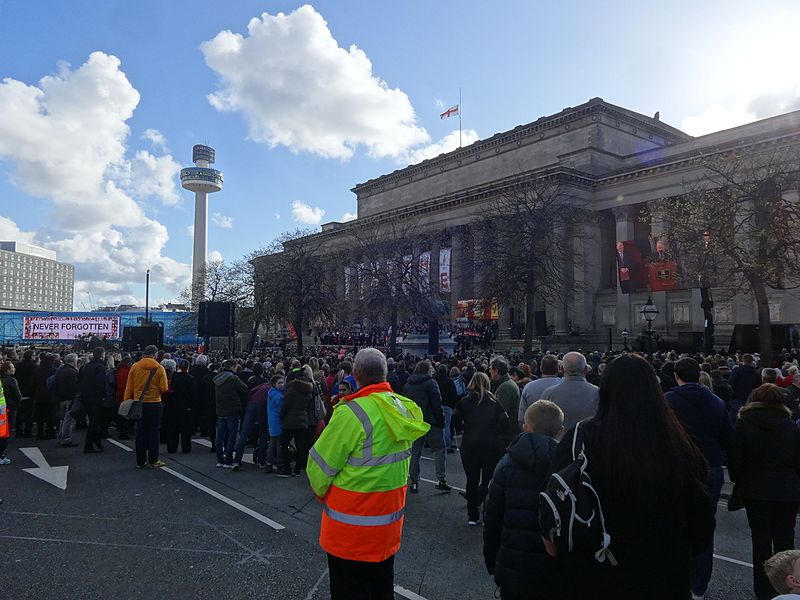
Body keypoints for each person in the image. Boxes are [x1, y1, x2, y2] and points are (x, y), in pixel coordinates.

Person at [547, 354, 713, 599]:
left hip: (597, 570)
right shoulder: (675, 441)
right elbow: (702, 524)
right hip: (664, 575)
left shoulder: (581, 436)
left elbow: (553, 501)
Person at [306, 348, 429, 600]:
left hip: (348, 531)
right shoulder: (404, 410)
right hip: (387, 529)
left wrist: (324, 495)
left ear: (355, 375)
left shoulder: (351, 413)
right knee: (382, 590)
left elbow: (318, 468)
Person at [665, 357, 733, 600]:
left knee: (675, 525)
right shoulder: (716, 402)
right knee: (705, 525)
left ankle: (679, 579)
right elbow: (728, 438)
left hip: (677, 468)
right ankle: (699, 587)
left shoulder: (667, 402)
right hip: (710, 468)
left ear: (676, 376)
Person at [483, 400, 564, 600]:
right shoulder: (569, 465)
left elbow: (492, 517)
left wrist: (492, 562)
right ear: (561, 431)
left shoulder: (507, 464)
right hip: (554, 568)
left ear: (525, 427)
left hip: (514, 565)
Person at [728, 383, 800, 600]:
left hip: (756, 490)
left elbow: (735, 460)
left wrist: (739, 480)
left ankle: (763, 590)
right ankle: (787, 588)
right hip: (787, 490)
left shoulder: (743, 424)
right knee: (785, 541)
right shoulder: (790, 426)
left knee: (760, 542)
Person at [454, 371, 509, 525]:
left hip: (470, 443)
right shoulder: (495, 402)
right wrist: (496, 432)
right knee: (488, 481)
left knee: (471, 480)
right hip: (491, 443)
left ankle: (472, 515)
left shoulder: (464, 402)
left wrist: (465, 427)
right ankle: (487, 514)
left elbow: (455, 421)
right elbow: (505, 422)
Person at [404, 359, 451, 493]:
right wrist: (441, 421)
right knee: (440, 449)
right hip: (431, 422)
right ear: (427, 369)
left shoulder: (408, 385)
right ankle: (441, 479)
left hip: (416, 423)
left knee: (415, 452)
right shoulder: (431, 384)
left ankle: (414, 481)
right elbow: (437, 404)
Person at [124, 345, 169, 469]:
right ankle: (153, 460)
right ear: (155, 355)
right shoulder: (159, 368)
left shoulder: (135, 366)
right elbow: (164, 388)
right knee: (154, 432)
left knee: (140, 432)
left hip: (139, 403)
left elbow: (129, 386)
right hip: (155, 403)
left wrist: (126, 401)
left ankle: (140, 460)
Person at [540, 352, 598, 433]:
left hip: (558, 442)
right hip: (590, 442)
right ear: (585, 370)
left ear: (562, 369)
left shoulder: (548, 394)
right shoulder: (598, 393)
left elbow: (542, 423)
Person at [278, 366, 314, 477]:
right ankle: (297, 469)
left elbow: (286, 406)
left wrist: (281, 416)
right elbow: (308, 407)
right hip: (302, 420)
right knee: (301, 446)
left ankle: (287, 468)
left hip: (289, 420)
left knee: (284, 444)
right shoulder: (308, 391)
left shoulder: (291, 390)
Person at [213, 359, 248, 469]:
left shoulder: (217, 378)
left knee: (220, 435)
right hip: (232, 408)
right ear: (233, 367)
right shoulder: (233, 378)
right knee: (232, 435)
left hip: (220, 408)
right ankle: (228, 459)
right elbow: (244, 388)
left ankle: (219, 459)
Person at [233, 368, 269, 470]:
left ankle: (237, 460)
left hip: (251, 405)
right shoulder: (272, 388)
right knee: (262, 434)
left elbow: (249, 392)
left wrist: (248, 403)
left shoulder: (261, 385)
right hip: (262, 407)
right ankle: (262, 461)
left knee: (244, 433)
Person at [78, 347, 109, 454]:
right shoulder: (100, 367)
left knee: (93, 421)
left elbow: (79, 381)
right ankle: (88, 445)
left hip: (85, 396)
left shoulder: (85, 366)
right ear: (102, 355)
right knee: (94, 422)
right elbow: (101, 384)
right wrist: (104, 394)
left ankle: (98, 443)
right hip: (96, 397)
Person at [519, 355, 561, 425]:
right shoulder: (563, 384)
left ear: (541, 368)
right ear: (558, 369)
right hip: (559, 430)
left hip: (534, 429)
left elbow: (521, 418)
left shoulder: (529, 387)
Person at [164, 359, 195, 454]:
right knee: (186, 429)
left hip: (174, 404)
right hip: (186, 406)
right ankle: (186, 448)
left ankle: (172, 447)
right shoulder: (191, 379)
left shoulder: (173, 377)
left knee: (173, 428)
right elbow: (193, 394)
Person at [490, 357, 521, 445]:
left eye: (491, 369)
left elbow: (499, 411)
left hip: (507, 434)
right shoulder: (506, 384)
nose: (490, 372)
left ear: (496, 371)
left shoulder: (505, 387)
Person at [54, 353, 80, 448]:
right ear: (74, 361)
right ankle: (66, 438)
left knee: (63, 418)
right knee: (68, 419)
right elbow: (74, 386)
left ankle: (61, 436)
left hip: (60, 397)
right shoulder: (72, 372)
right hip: (69, 397)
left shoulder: (60, 370)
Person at [729, 353, 761, 421]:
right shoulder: (756, 374)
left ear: (743, 360)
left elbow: (731, 383)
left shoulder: (736, 371)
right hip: (750, 400)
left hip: (737, 398)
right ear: (752, 361)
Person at [435, 363, 458, 453]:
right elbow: (454, 394)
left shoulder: (434, 381)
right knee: (446, 426)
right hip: (447, 406)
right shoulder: (449, 381)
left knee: (438, 426)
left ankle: (437, 444)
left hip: (437, 406)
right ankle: (447, 445)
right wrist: (453, 405)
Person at [14, 350, 37, 437]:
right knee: (29, 414)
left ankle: (18, 432)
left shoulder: (17, 365)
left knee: (19, 413)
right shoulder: (34, 366)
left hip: (19, 391)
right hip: (30, 393)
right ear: (31, 356)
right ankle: (28, 431)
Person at [266, 374, 285, 473]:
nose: (282, 385)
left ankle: (268, 463)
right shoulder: (278, 396)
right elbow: (280, 409)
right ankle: (279, 465)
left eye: (282, 382)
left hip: (272, 421)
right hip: (278, 421)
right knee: (279, 444)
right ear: (274, 384)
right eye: (279, 383)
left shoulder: (271, 393)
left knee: (272, 443)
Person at [0, 378, 9, 465]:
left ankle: (2, 455)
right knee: (2, 434)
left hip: (2, 409)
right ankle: (1, 456)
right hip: (1, 410)